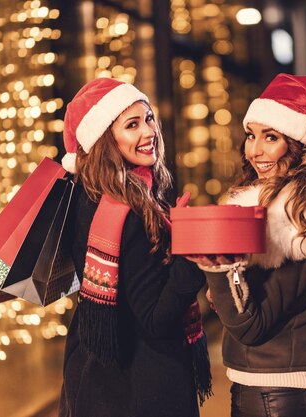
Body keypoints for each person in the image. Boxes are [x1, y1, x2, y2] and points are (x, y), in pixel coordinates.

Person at [189, 73, 306, 417]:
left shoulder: (295, 222)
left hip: (277, 393)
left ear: (299, 143)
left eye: (271, 137)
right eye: (251, 135)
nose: (255, 150)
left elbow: (251, 326)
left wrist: (217, 266)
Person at [58, 78, 211, 417]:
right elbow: (156, 320)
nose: (149, 131)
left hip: (93, 380)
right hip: (141, 390)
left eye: (149, 118)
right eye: (132, 125)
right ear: (104, 141)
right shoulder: (128, 215)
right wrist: (194, 257)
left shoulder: (85, 198)